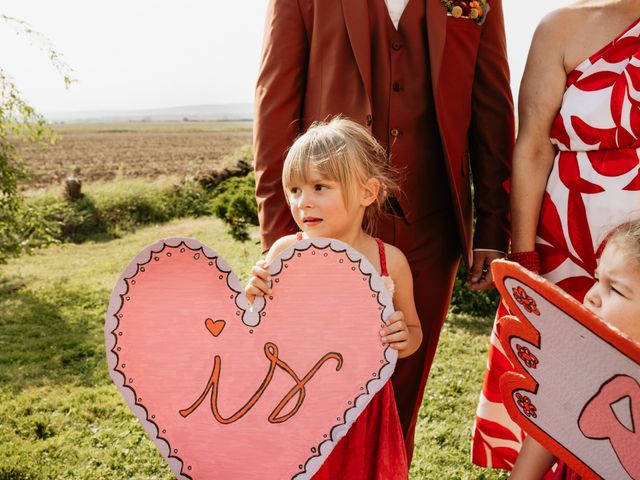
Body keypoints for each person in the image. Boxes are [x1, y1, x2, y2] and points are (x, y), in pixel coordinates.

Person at [254, 0, 514, 460]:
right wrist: (285, 245)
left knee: (401, 394)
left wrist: (493, 224)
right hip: (326, 229)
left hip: (431, 223)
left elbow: (491, 100)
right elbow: (276, 105)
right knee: (309, 392)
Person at [473, 0, 640, 470]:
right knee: (562, 381)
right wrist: (527, 258)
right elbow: (530, 147)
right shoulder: (561, 26)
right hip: (567, 238)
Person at [245, 118, 420, 478]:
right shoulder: (284, 251)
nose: (303, 202)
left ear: (368, 192)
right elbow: (255, 331)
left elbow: (414, 329)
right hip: (291, 402)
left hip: (361, 410)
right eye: (294, 190)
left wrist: (406, 338)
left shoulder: (389, 262)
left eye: (319, 187)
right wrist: (254, 295)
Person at [509, 219, 640, 479]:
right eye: (596, 278)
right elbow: (551, 429)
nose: (590, 295)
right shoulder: (585, 363)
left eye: (613, 289)